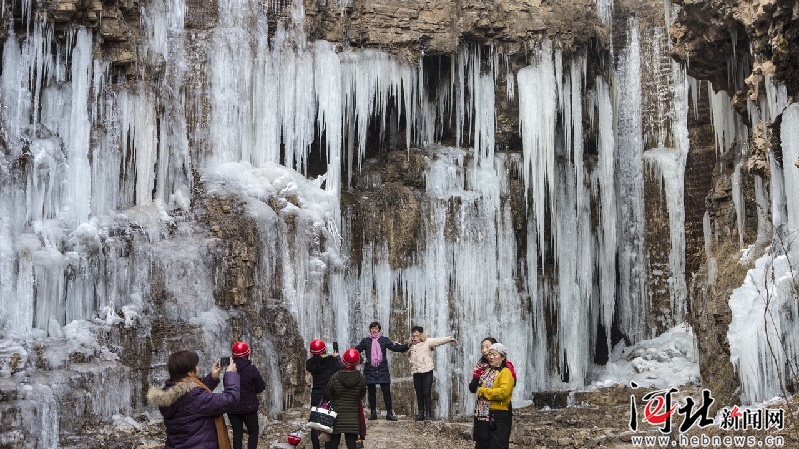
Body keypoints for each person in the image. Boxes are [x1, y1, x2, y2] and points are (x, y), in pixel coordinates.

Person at [147, 350, 240, 449]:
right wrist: (231, 374)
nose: (198, 368)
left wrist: (212, 378)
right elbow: (231, 398)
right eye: (197, 365)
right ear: (190, 373)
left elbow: (194, 397)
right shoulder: (194, 396)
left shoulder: (168, 393)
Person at [354, 321, 409, 421]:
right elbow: (356, 351)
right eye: (372, 328)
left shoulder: (384, 340)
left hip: (382, 369)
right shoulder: (366, 341)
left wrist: (408, 345)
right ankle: (373, 413)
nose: (374, 330)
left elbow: (395, 348)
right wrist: (362, 360)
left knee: (386, 392)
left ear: (379, 329)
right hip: (370, 370)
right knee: (371, 393)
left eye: (376, 328)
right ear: (370, 330)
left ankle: (389, 413)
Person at [406, 325, 457, 421]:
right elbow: (402, 348)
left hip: (427, 371)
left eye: (417, 333)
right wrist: (396, 345)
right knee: (419, 393)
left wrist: (449, 339)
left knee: (426, 392)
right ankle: (421, 414)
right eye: (413, 333)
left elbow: (438, 341)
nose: (414, 335)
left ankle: (429, 414)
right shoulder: (411, 344)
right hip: (416, 371)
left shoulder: (427, 341)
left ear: (421, 334)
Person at [472, 343, 515, 449]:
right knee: (482, 445)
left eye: (495, 354)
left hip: (497, 416)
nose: (491, 357)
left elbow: (503, 393)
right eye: (490, 354)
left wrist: (484, 391)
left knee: (496, 445)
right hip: (482, 416)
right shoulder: (487, 372)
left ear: (503, 357)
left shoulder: (505, 372)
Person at [324, 348, 367, 449]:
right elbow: (361, 395)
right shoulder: (361, 378)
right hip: (353, 418)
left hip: (336, 416)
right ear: (357, 363)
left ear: (343, 361)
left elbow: (327, 394)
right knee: (352, 444)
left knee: (332, 443)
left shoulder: (335, 377)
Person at [226, 342, 266, 449]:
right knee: (253, 432)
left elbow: (227, 388)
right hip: (249, 408)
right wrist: (251, 391)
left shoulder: (229, 369)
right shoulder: (251, 369)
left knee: (237, 432)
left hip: (232, 408)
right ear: (246, 354)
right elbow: (261, 386)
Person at [306, 339, 341, 449]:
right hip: (330, 394)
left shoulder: (310, 363)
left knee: (315, 422)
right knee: (330, 421)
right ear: (324, 350)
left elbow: (318, 361)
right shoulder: (332, 361)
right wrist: (336, 357)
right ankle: (328, 446)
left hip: (316, 395)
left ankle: (316, 447)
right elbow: (340, 367)